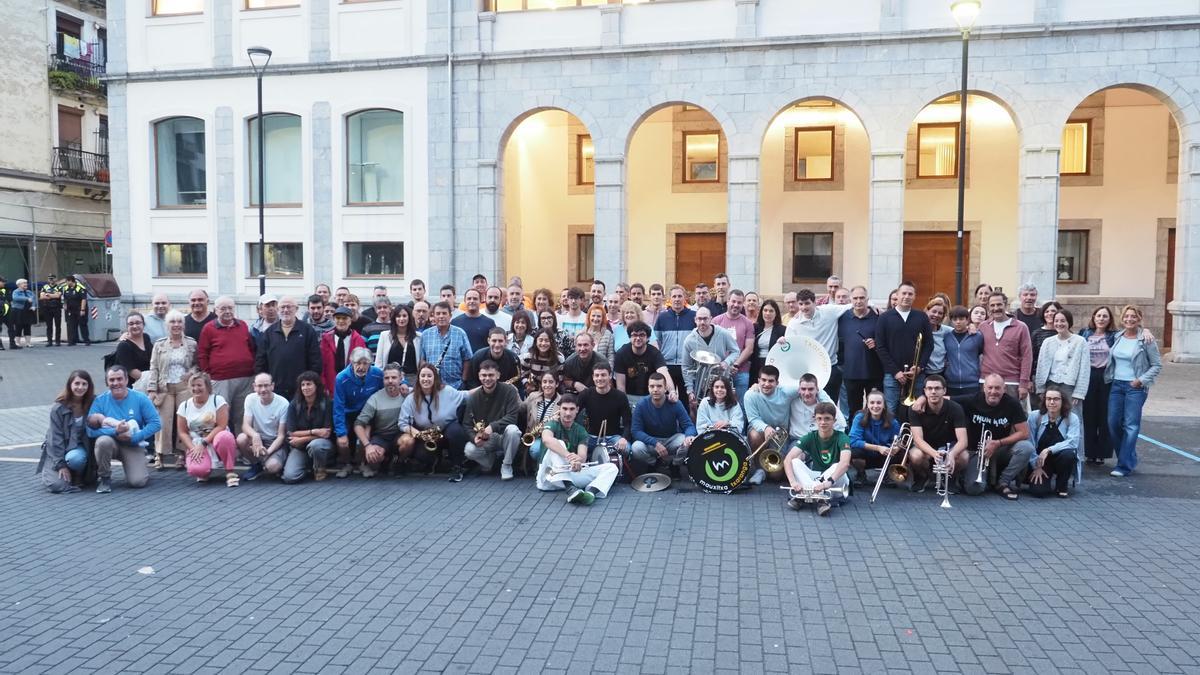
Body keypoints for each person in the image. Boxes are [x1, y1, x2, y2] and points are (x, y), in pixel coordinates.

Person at [937, 374, 1034, 500]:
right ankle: (970, 477)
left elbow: (1024, 433)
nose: (993, 392)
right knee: (974, 489)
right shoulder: (973, 399)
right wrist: (923, 398)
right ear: (984, 388)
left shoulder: (1012, 404)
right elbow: (943, 399)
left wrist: (998, 443)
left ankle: (1003, 482)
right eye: (990, 388)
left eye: (998, 388)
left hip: (1000, 448)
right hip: (975, 451)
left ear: (1004, 389)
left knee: (1026, 447)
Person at [1105, 305, 1162, 478]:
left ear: (1139, 319)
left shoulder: (1146, 340)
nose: (1129, 319)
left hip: (1135, 388)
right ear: (1122, 319)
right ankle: (1128, 457)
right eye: (1126, 316)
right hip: (1116, 385)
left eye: (1133, 316)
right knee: (1113, 423)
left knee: (1130, 425)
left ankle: (1123, 465)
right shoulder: (1117, 336)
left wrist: (1140, 380)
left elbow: (1157, 365)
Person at [536, 393, 620, 505]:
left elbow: (582, 456)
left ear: (577, 410)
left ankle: (590, 493)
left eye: (571, 409)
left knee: (611, 467)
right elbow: (547, 439)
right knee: (558, 443)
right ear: (559, 409)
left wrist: (578, 460)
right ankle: (570, 489)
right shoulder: (552, 424)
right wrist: (569, 456)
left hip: (570, 473)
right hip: (548, 477)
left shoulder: (581, 430)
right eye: (564, 409)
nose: (568, 413)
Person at [88, 366, 161, 493]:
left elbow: (156, 423)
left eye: (119, 379)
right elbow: (90, 430)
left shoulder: (140, 398)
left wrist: (135, 438)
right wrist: (115, 432)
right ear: (107, 382)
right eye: (112, 380)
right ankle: (104, 478)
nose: (116, 383)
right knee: (102, 441)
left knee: (138, 482)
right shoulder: (100, 401)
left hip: (133, 444)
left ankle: (139, 460)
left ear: (127, 380)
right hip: (112, 442)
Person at [146, 310, 198, 469]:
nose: (176, 325)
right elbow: (153, 367)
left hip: (185, 387)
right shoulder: (159, 345)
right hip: (165, 388)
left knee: (184, 422)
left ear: (183, 324)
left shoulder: (191, 343)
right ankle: (159, 454)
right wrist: (152, 389)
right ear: (167, 325)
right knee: (163, 421)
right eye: (172, 322)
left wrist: (192, 372)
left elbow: (198, 364)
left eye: (179, 322)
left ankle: (182, 454)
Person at [873, 281, 933, 414]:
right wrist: (895, 371)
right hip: (892, 374)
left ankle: (915, 434)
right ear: (897, 296)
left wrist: (919, 366)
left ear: (914, 296)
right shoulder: (884, 318)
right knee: (890, 410)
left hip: (916, 374)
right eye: (903, 293)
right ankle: (893, 435)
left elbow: (929, 344)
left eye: (910, 294)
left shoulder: (921, 317)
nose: (906, 296)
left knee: (917, 409)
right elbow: (880, 347)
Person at [198, 296, 257, 429]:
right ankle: (223, 446)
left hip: (245, 378)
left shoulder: (242, 325)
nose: (227, 311)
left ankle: (241, 446)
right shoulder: (208, 328)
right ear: (216, 310)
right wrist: (207, 374)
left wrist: (252, 366)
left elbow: (251, 348)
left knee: (242, 416)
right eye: (223, 308)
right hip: (221, 379)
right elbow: (202, 353)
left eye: (230, 308)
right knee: (221, 415)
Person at [783, 403, 851, 517]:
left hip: (834, 481)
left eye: (827, 419)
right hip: (817, 480)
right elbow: (787, 459)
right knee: (794, 461)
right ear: (815, 419)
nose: (823, 422)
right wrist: (793, 482)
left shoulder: (842, 437)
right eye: (819, 418)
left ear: (834, 420)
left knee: (837, 465)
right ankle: (820, 499)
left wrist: (828, 483)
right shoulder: (810, 436)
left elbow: (845, 464)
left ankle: (805, 495)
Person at [786, 288, 854, 402]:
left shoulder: (829, 311)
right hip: (808, 370)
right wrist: (783, 341)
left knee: (830, 404)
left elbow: (852, 305)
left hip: (831, 367)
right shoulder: (794, 323)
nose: (804, 307)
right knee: (808, 403)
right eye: (801, 304)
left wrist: (873, 306)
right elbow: (789, 346)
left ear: (815, 302)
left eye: (807, 303)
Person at [906, 375, 968, 493]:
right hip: (927, 449)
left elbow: (963, 441)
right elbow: (918, 440)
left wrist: (952, 454)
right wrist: (934, 453)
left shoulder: (956, 408)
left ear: (944, 391)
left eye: (937, 388)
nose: (933, 392)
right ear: (924, 391)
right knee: (915, 455)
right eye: (929, 388)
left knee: (964, 456)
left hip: (949, 447)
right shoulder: (915, 409)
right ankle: (923, 477)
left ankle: (949, 478)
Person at [176, 372, 239, 487]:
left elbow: (221, 425)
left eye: (199, 385)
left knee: (225, 437)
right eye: (193, 385)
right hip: (196, 441)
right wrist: (193, 448)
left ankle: (230, 472)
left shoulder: (218, 400)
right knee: (197, 471)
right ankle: (204, 471)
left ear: (207, 386)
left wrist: (204, 443)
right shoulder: (184, 406)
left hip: (216, 438)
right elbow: (182, 432)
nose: (196, 388)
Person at [463, 360, 523, 480]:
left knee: (513, 430)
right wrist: (474, 438)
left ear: (498, 375)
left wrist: (492, 427)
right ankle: (490, 463)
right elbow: (467, 424)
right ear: (479, 376)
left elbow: (512, 417)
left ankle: (506, 465)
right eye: (484, 375)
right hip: (486, 439)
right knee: (469, 450)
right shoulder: (473, 397)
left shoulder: (509, 390)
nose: (487, 378)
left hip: (503, 435)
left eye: (491, 375)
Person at [254, 297, 322, 402]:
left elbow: (315, 360)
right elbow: (260, 361)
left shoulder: (307, 330)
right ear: (277, 309)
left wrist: (310, 384)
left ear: (296, 309)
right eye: (282, 307)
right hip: (275, 389)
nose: (286, 310)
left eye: (289, 306)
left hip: (301, 389)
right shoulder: (269, 333)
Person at [38, 370, 95, 493]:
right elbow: (55, 439)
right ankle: (51, 470)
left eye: (84, 384)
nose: (80, 387)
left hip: (78, 448)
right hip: (57, 450)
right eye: (77, 383)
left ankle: (77, 474)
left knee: (76, 459)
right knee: (56, 485)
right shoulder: (58, 408)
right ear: (70, 385)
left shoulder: (93, 403)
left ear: (89, 386)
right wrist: (61, 464)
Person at [629, 373, 696, 477]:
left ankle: (674, 465)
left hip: (671, 440)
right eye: (652, 386)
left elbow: (688, 425)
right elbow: (636, 431)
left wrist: (689, 436)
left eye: (659, 386)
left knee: (687, 443)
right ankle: (654, 463)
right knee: (636, 448)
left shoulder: (675, 403)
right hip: (651, 442)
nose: (655, 389)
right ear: (648, 388)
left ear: (665, 388)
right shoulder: (641, 404)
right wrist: (655, 443)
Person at [333, 348, 384, 478]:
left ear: (370, 364)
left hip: (366, 414)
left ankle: (362, 463)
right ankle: (347, 464)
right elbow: (338, 407)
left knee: (364, 437)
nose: (361, 367)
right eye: (358, 363)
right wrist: (341, 433)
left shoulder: (377, 374)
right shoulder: (341, 378)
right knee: (342, 442)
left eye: (365, 363)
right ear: (351, 362)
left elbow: (392, 378)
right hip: (347, 413)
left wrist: (404, 384)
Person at [354, 364, 409, 478]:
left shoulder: (408, 395)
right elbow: (358, 424)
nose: (390, 381)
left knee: (408, 442)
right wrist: (368, 445)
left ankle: (400, 462)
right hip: (381, 437)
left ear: (400, 379)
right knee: (374, 458)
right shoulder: (375, 398)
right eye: (386, 378)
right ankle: (385, 460)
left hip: (400, 435)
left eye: (394, 378)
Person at [979, 291, 1033, 405]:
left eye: (999, 304)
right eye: (992, 305)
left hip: (1011, 383)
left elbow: (1027, 356)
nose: (996, 308)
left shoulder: (1021, 327)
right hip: (986, 381)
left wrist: (1024, 383)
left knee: (1012, 420)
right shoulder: (983, 327)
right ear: (988, 307)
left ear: (1006, 305)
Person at [1079, 306, 1118, 465]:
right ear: (1094, 317)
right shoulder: (1084, 333)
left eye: (1105, 316)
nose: (1101, 319)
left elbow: (1136, 333)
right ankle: (1090, 453)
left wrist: (1147, 332)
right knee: (1088, 416)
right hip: (1088, 376)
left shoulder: (1114, 336)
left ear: (1109, 320)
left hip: (1106, 377)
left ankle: (1102, 452)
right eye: (1099, 315)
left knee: (1104, 416)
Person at [837, 286, 883, 420]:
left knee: (875, 410)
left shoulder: (878, 317)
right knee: (854, 410)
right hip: (851, 372)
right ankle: (853, 438)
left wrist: (876, 344)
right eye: (855, 298)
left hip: (874, 372)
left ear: (867, 299)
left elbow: (886, 342)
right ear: (850, 299)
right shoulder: (842, 317)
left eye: (862, 298)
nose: (858, 301)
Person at [1027, 386, 1080, 498]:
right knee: (1038, 492)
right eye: (1048, 399)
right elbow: (1029, 442)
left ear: (1062, 401)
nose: (1052, 402)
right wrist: (1036, 466)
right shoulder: (1034, 416)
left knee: (1069, 454)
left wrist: (1049, 450)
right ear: (1044, 400)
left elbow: (1072, 442)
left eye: (1056, 399)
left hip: (1060, 459)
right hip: (1040, 462)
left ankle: (1062, 484)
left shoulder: (1072, 418)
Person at [236, 373, 290, 481]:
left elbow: (281, 436)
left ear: (272, 386)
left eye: (266, 385)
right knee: (241, 439)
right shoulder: (250, 399)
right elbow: (245, 425)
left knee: (272, 467)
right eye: (260, 386)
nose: (263, 389)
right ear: (254, 387)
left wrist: (268, 453)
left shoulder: (283, 403)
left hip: (276, 442)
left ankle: (274, 463)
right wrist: (255, 435)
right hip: (259, 440)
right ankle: (256, 465)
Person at [683, 306, 740, 406]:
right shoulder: (689, 340)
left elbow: (736, 351)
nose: (702, 322)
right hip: (700, 384)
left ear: (710, 319)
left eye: (705, 318)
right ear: (695, 320)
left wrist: (726, 362)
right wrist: (690, 390)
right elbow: (686, 367)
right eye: (699, 319)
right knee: (699, 409)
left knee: (722, 408)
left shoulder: (723, 333)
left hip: (721, 380)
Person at [284, 371, 334, 482]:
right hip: (300, 448)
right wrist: (314, 431)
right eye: (303, 385)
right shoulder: (294, 404)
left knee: (316, 445)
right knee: (290, 477)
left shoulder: (326, 403)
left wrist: (302, 439)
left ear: (316, 385)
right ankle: (308, 465)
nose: (305, 387)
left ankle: (320, 468)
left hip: (322, 445)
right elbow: (291, 432)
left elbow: (326, 433)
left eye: (309, 384)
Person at [577, 362, 632, 460]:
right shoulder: (586, 394)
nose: (600, 378)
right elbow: (574, 413)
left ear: (610, 376)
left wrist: (624, 438)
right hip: (591, 437)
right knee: (574, 446)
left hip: (613, 437)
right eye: (597, 375)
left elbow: (628, 422)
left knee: (627, 448)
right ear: (593, 377)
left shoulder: (620, 396)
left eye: (603, 375)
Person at [613, 321, 674, 408]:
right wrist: (624, 406)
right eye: (634, 335)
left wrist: (672, 391)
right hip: (629, 397)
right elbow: (620, 385)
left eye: (642, 335)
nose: (638, 338)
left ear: (648, 337)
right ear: (630, 337)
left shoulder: (654, 353)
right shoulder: (621, 353)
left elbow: (664, 373)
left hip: (650, 397)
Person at [1034, 309, 1090, 404]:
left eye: (1063, 321)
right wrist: (1040, 388)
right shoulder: (1048, 342)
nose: (1059, 324)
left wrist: (1079, 393)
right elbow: (1041, 366)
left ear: (1069, 322)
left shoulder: (1080, 341)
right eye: (1056, 321)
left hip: (1070, 387)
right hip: (1051, 385)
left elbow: (1084, 369)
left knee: (1072, 416)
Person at [847, 390, 901, 486]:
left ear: (884, 405)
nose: (875, 406)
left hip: (884, 456)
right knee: (853, 451)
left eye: (879, 403)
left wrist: (896, 448)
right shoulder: (859, 417)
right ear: (867, 405)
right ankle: (861, 474)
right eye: (872, 403)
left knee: (901, 453)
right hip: (866, 454)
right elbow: (852, 441)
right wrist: (878, 448)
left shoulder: (893, 422)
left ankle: (887, 475)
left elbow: (897, 442)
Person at [654, 285, 697, 403]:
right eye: (674, 296)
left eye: (680, 296)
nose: (677, 299)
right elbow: (656, 341)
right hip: (667, 365)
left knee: (686, 401)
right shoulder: (662, 317)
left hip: (687, 365)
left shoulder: (694, 316)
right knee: (666, 399)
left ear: (685, 298)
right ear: (669, 299)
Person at [711, 290, 754, 398]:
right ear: (728, 302)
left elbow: (749, 348)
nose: (736, 305)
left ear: (743, 304)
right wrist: (722, 365)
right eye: (733, 301)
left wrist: (736, 364)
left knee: (742, 404)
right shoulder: (716, 321)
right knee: (719, 402)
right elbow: (710, 345)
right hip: (719, 370)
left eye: (739, 303)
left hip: (741, 371)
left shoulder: (748, 323)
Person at [420, 302, 474, 388]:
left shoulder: (460, 333)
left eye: (444, 313)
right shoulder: (426, 334)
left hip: (455, 386)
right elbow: (423, 360)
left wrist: (463, 381)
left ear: (450, 315)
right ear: (433, 316)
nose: (441, 316)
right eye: (438, 313)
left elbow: (467, 359)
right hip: (432, 386)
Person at [321, 307, 366, 394]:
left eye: (344, 318)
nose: (341, 321)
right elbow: (322, 364)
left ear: (350, 320)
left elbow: (362, 366)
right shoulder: (326, 339)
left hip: (352, 386)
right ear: (334, 320)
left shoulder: (358, 340)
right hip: (330, 386)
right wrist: (323, 385)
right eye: (338, 318)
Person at [789, 373, 846, 442]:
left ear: (817, 389)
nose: (807, 393)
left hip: (820, 441)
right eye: (803, 389)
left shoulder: (824, 404)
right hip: (798, 440)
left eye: (811, 389)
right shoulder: (791, 402)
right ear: (799, 390)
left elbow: (840, 424)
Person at [943, 305, 983, 397]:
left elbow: (982, 353)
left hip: (972, 384)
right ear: (951, 320)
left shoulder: (977, 336)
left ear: (967, 319)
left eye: (961, 319)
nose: (958, 322)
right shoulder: (946, 336)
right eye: (955, 319)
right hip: (951, 384)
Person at [523, 372, 562, 463]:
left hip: (551, 437)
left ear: (557, 384)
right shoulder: (533, 396)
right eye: (544, 382)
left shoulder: (562, 402)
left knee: (536, 450)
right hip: (532, 435)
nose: (547, 385)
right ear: (541, 384)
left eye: (551, 382)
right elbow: (520, 408)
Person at [375, 304, 420, 382]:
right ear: (394, 318)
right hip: (391, 379)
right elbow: (379, 363)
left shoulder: (418, 337)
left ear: (409, 317)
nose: (401, 319)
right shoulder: (384, 336)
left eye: (404, 316)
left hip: (413, 379)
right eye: (398, 316)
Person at [751, 299, 786, 386]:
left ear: (776, 313)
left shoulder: (782, 330)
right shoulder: (755, 328)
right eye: (765, 310)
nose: (767, 313)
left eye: (771, 311)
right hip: (756, 365)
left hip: (774, 364)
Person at [1029, 301, 1064, 385]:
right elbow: (1031, 357)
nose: (1050, 314)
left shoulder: (1066, 333)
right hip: (1039, 376)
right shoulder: (1036, 334)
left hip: (1061, 377)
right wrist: (1029, 379)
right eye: (1047, 311)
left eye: (1053, 311)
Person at [114, 312, 152, 387]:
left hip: (150, 382)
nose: (135, 326)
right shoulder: (123, 346)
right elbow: (132, 372)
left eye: (138, 323)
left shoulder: (146, 337)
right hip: (134, 387)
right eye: (131, 324)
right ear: (127, 327)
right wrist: (152, 381)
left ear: (143, 324)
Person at [451, 288, 495, 353]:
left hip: (482, 361)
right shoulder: (455, 322)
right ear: (464, 301)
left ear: (480, 301)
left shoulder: (489, 323)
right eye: (469, 298)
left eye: (475, 298)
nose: (472, 301)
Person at [924, 299, 951, 380]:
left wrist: (971, 326)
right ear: (927, 311)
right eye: (934, 311)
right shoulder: (919, 328)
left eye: (940, 313)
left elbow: (961, 330)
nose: (936, 315)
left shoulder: (946, 331)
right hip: (922, 374)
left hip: (940, 374)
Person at [61, 274, 90, 346]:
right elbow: (64, 298)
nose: (66, 283)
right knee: (71, 325)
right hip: (70, 310)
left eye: (67, 281)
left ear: (71, 281)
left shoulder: (80, 288)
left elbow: (84, 299)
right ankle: (72, 341)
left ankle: (86, 340)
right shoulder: (66, 288)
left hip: (80, 308)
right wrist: (64, 304)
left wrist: (82, 310)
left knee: (82, 324)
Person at [38, 274, 63, 346]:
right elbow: (42, 297)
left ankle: (57, 341)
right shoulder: (45, 287)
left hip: (56, 307)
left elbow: (58, 296)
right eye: (49, 279)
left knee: (58, 325)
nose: (51, 280)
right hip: (47, 307)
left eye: (52, 278)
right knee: (49, 325)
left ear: (55, 279)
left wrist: (48, 295)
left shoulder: (59, 287)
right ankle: (49, 341)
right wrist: (53, 295)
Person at [9, 278, 34, 348]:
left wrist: (34, 306)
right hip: (18, 311)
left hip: (28, 311)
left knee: (27, 326)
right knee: (18, 326)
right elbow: (15, 298)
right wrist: (26, 298)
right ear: (19, 285)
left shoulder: (29, 292)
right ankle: (17, 342)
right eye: (24, 283)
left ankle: (28, 343)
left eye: (26, 283)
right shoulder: (16, 292)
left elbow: (33, 299)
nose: (26, 284)